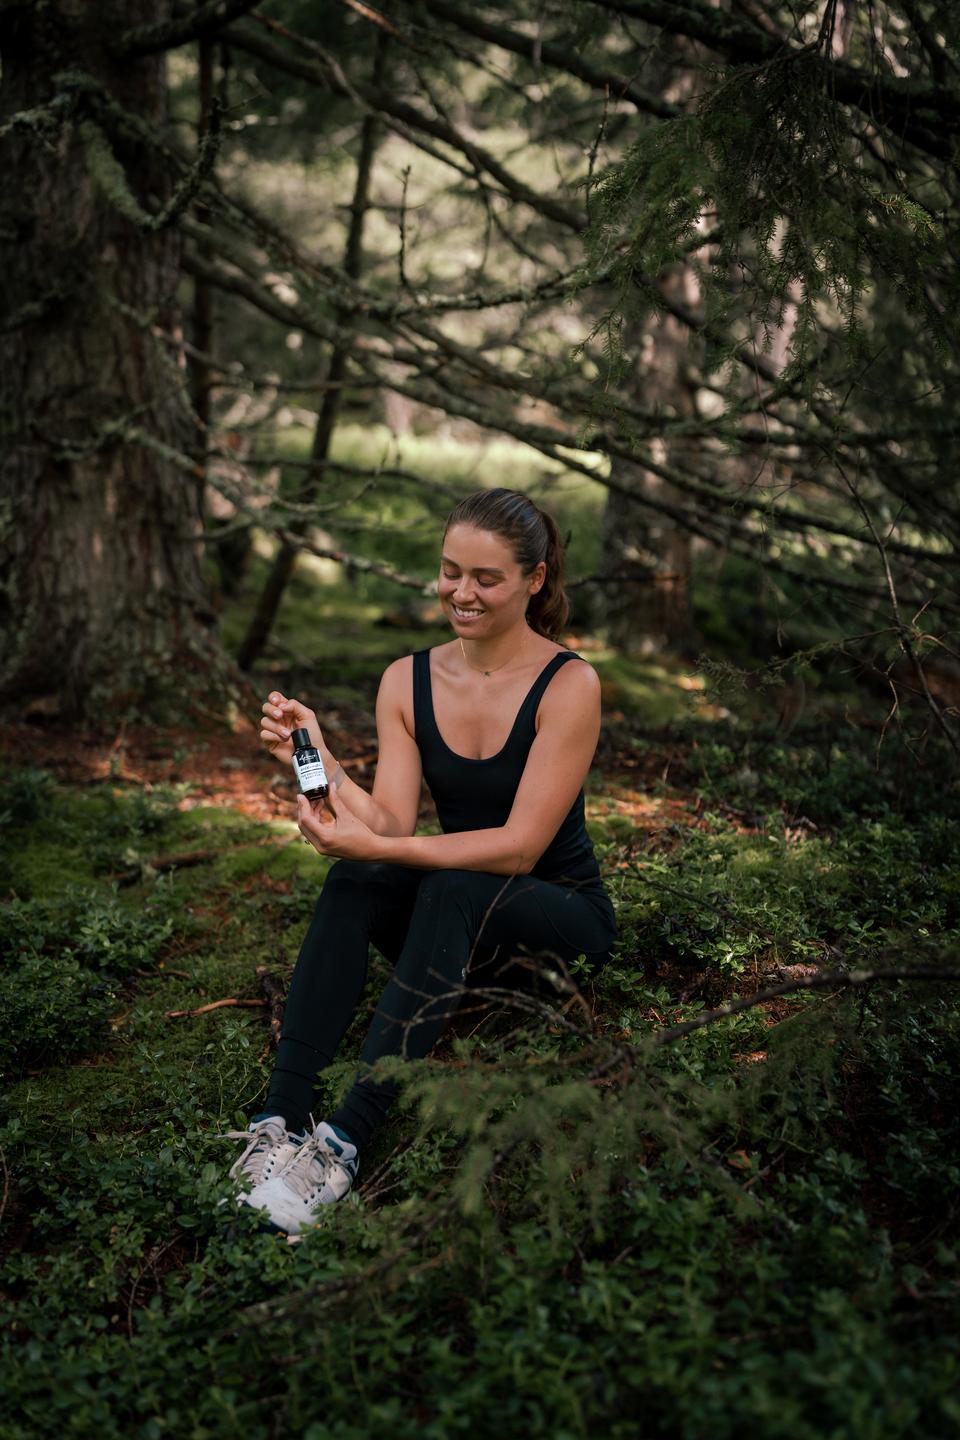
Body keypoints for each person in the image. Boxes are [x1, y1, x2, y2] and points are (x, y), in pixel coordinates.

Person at [224, 487, 617, 1235]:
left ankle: (339, 1148)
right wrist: (320, 761)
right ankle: (279, 1122)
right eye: (450, 571)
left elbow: (520, 847)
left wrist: (383, 846)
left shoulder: (569, 684)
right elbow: (391, 823)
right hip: (458, 926)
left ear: (534, 579)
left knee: (449, 886)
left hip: (557, 922)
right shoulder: (407, 680)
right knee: (357, 877)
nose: (461, 593)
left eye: (486, 578)